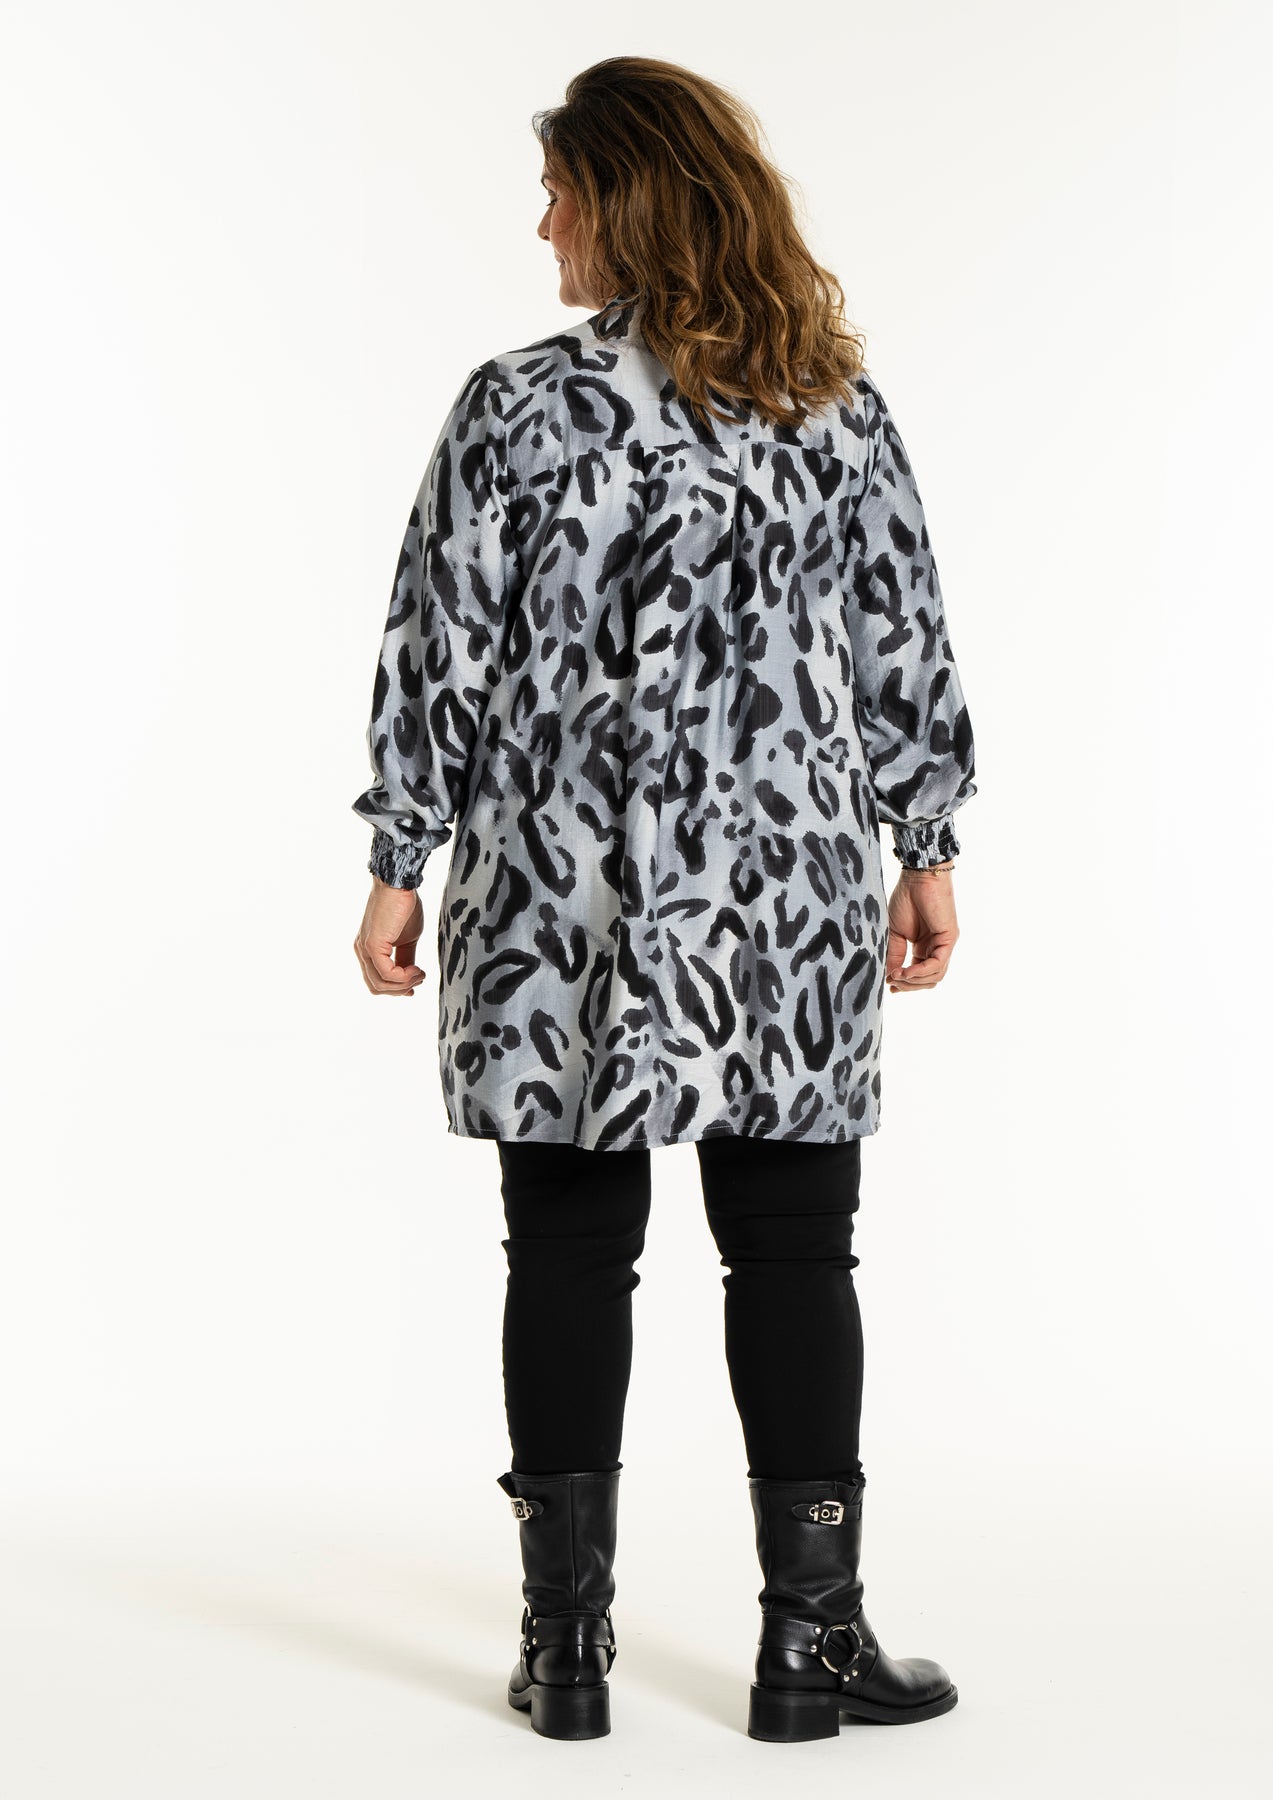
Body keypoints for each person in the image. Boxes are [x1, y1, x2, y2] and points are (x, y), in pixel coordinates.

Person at [352, 56, 977, 1745]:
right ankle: (810, 1644)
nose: (541, 224)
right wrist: (923, 847)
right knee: (793, 1245)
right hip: (777, 898)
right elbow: (903, 642)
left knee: (566, 1245)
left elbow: (436, 648)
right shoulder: (827, 406)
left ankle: (566, 1654)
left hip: (555, 895)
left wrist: (399, 862)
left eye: (558, 192)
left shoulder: (514, 406)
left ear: (624, 203)